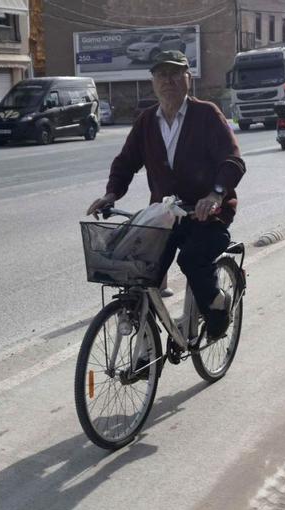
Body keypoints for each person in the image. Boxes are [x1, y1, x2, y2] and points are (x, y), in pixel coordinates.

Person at [87, 50, 246, 340]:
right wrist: (111, 194)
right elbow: (126, 162)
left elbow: (232, 160)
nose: (168, 80)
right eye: (162, 74)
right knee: (139, 271)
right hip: (165, 217)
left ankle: (218, 304)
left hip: (206, 214)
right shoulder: (147, 120)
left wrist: (215, 194)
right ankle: (145, 347)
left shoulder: (206, 114)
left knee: (192, 259)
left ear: (188, 77)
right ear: (153, 81)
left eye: (175, 74)